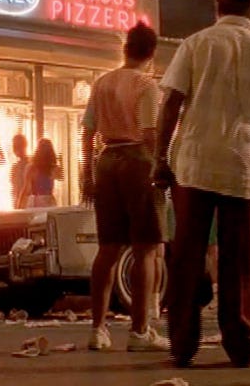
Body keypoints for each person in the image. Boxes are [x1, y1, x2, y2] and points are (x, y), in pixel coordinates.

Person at [152, 0, 250, 368]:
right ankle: (242, 344)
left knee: (187, 256)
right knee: (239, 261)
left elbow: (171, 103)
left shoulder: (196, 44)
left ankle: (182, 344)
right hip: (243, 168)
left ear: (217, 7)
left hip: (195, 165)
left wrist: (160, 157)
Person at [82, 21, 169, 353]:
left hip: (106, 162)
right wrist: (164, 163)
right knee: (145, 248)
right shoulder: (147, 84)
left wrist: (87, 175)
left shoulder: (101, 82)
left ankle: (97, 329)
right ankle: (139, 331)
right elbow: (149, 133)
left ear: (125, 49)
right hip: (137, 162)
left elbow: (87, 134)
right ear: (152, 53)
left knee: (108, 249)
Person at [18, 138, 63, 208]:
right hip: (48, 201)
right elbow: (60, 177)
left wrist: (19, 206)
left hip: (36, 202)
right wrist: (61, 161)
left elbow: (26, 189)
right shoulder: (53, 168)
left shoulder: (31, 168)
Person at [9, 134, 30, 209]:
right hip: (20, 203)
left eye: (15, 147)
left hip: (26, 204)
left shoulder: (30, 165)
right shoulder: (15, 167)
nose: (14, 150)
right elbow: (14, 188)